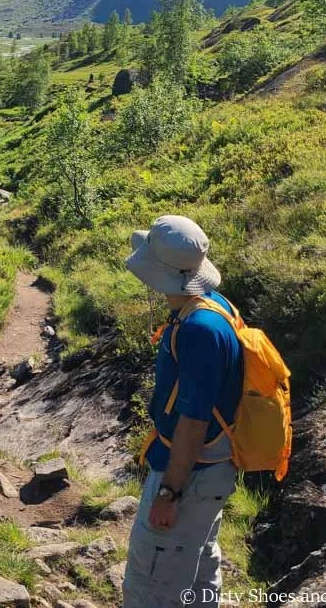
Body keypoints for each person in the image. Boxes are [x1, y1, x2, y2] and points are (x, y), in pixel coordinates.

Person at [122, 215, 243, 608]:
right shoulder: (213, 306)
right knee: (199, 562)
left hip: (190, 474)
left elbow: (193, 421)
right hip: (214, 469)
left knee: (151, 582)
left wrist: (169, 492)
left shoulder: (198, 330)